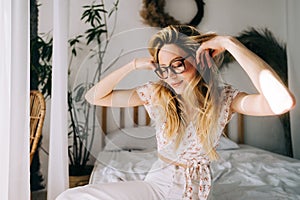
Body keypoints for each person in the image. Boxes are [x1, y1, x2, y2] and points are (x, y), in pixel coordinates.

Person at [57, 25, 295, 200]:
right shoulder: (157, 94)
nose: (170, 76)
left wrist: (232, 44)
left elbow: (281, 103)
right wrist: (133, 65)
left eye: (178, 64)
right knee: (71, 198)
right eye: (163, 69)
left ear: (199, 59)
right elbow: (93, 97)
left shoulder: (223, 99)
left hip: (198, 193)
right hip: (157, 187)